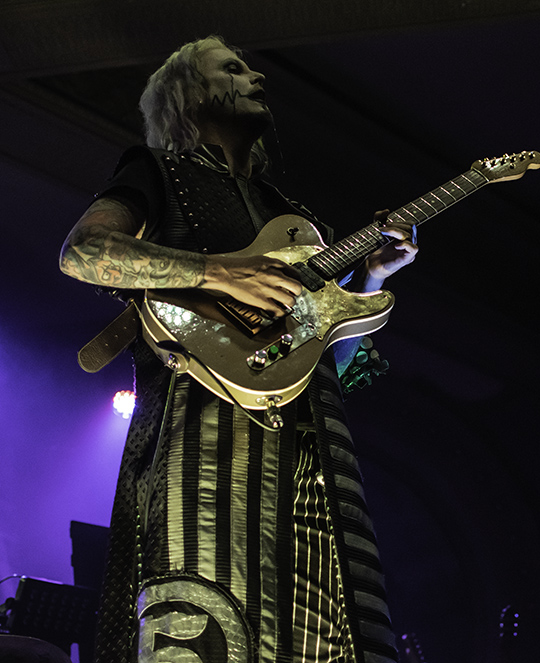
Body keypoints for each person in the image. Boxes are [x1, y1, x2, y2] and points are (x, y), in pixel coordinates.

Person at [59, 35, 416, 663]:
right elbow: (83, 253)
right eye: (233, 68)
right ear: (189, 96)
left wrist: (370, 283)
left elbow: (317, 361)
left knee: (325, 634)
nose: (256, 77)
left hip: (309, 456)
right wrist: (218, 272)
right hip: (203, 437)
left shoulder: (292, 216)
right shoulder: (157, 171)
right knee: (201, 618)